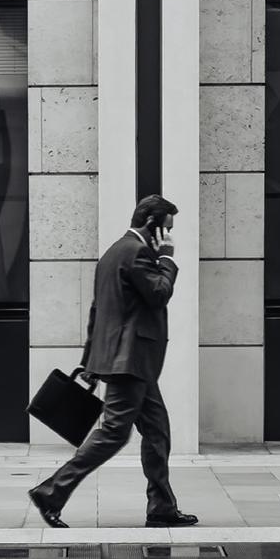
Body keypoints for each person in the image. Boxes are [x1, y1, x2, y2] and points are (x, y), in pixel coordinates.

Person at [29, 194, 198, 529]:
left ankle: (162, 508)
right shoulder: (137, 253)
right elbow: (159, 294)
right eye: (167, 230)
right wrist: (167, 259)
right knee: (113, 434)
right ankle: (51, 492)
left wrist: (90, 360)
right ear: (152, 225)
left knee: (157, 433)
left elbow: (99, 311)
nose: (169, 237)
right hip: (130, 361)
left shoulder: (112, 252)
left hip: (130, 362)